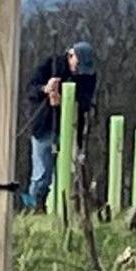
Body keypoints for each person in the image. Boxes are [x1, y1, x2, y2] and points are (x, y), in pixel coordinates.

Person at [21, 40, 99, 212]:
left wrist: (63, 100)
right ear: (71, 56)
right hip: (45, 126)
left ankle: (69, 208)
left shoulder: (88, 76)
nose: (78, 71)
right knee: (42, 174)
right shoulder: (51, 65)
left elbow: (86, 102)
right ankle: (34, 207)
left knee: (71, 171)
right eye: (77, 65)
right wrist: (45, 89)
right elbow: (30, 90)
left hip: (71, 128)